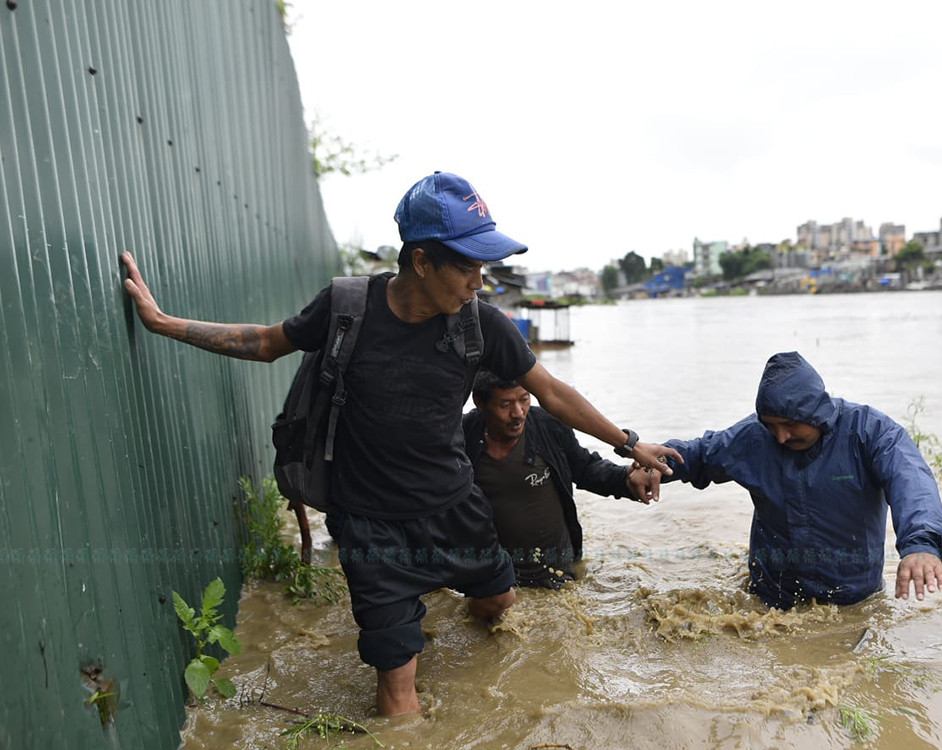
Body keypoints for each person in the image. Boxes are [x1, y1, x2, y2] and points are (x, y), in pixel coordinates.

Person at [120, 170, 680, 716]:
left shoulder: (483, 324)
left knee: (499, 604)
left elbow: (553, 393)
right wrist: (164, 323)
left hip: (454, 506)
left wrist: (630, 443)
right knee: (397, 692)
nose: (478, 283)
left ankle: (438, 616)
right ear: (421, 261)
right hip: (369, 524)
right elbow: (267, 343)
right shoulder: (346, 309)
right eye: (467, 267)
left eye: (484, 268)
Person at [661, 351, 942, 608]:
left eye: (790, 424)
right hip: (770, 598)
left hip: (853, 601)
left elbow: (912, 482)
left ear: (817, 412)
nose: (781, 436)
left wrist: (922, 545)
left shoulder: (870, 432)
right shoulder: (754, 436)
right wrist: (652, 466)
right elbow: (697, 456)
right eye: (771, 425)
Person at [462, 370, 662, 588]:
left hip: (555, 573)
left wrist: (625, 478)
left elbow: (586, 468)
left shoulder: (547, 425)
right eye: (506, 404)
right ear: (480, 403)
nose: (518, 413)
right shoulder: (461, 437)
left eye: (524, 399)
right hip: (494, 579)